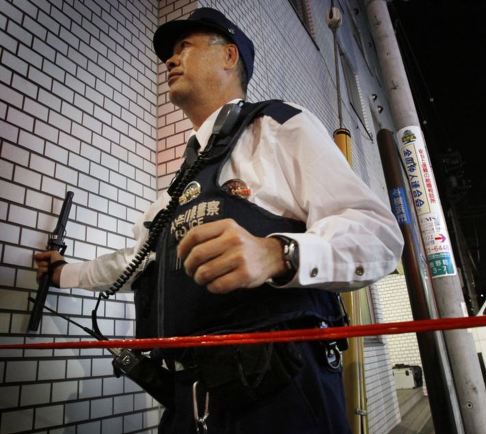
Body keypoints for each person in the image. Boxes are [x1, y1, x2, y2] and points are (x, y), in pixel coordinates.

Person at [34, 7, 403, 434]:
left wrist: (279, 254)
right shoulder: (176, 190)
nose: (170, 60)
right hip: (187, 402)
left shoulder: (277, 126)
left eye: (184, 47)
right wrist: (62, 274)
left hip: (281, 397)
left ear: (229, 56)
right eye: (170, 53)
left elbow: (378, 234)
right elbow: (133, 264)